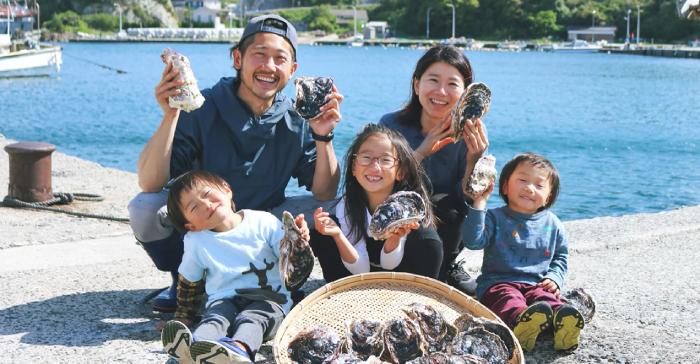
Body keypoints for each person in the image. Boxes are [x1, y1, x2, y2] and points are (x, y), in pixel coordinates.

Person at [128, 14, 342, 312]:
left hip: (265, 224)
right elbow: (149, 184)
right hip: (208, 218)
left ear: (292, 70)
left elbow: (325, 192)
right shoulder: (203, 106)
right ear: (238, 58)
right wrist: (170, 115)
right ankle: (185, 278)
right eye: (259, 55)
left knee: (338, 209)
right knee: (144, 208)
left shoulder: (299, 117)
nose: (269, 66)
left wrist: (324, 135)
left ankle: (284, 276)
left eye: (280, 59)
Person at [156, 170, 310, 364]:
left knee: (252, 319)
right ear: (191, 226)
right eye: (194, 207)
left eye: (207, 194)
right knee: (215, 317)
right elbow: (188, 283)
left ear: (227, 190)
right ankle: (195, 348)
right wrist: (184, 317)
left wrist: (297, 240)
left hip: (269, 300)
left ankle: (239, 351)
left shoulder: (263, 222)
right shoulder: (196, 241)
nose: (206, 204)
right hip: (224, 298)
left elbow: (287, 256)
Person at [378, 44, 489, 297]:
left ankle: (446, 267)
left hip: (446, 228)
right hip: (397, 223)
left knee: (450, 203)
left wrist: (475, 159)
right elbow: (375, 184)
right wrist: (422, 151)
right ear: (417, 85)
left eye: (452, 84)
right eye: (433, 80)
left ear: (465, 93)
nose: (441, 91)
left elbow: (470, 201)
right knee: (423, 192)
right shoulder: (390, 125)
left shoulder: (469, 134)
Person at [463, 152, 584, 352]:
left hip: (536, 284)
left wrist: (554, 277)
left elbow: (560, 256)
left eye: (539, 185)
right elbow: (473, 242)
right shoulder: (494, 217)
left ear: (548, 197)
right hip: (498, 283)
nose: (529, 188)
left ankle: (563, 322)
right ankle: (521, 322)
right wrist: (479, 204)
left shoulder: (553, 224)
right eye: (522, 180)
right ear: (504, 187)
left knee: (547, 300)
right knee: (508, 299)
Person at [310, 123, 443, 281]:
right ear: (353, 167)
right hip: (359, 276)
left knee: (426, 237)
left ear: (400, 172)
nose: (374, 166)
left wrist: (394, 237)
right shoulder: (347, 205)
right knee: (324, 234)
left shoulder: (405, 209)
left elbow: (389, 265)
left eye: (385, 160)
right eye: (366, 157)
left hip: (404, 276)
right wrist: (338, 235)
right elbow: (361, 268)